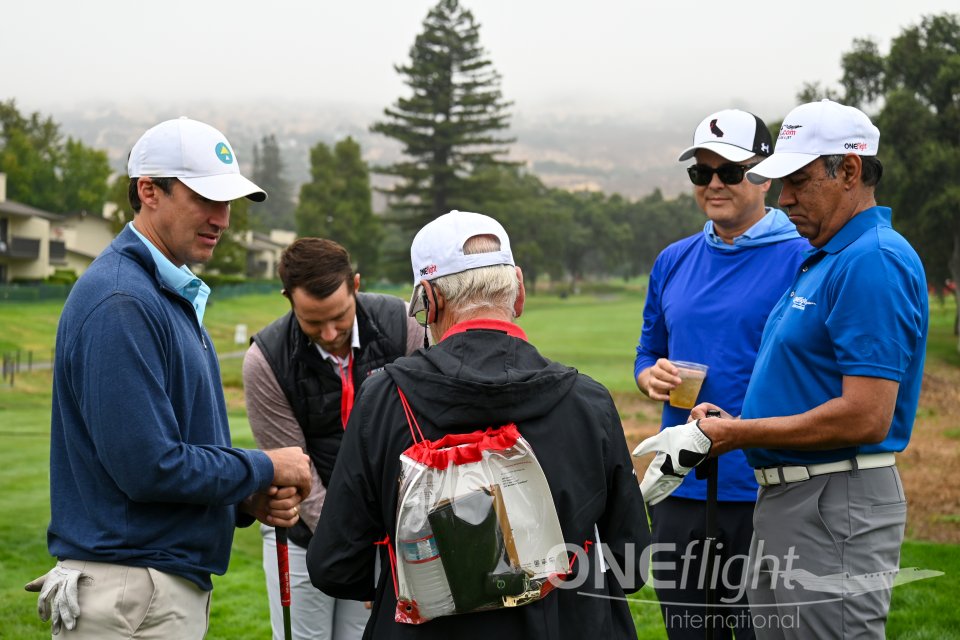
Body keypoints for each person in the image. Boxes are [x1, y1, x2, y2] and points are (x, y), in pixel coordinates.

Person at [637, 100, 928, 639]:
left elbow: (867, 417)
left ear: (849, 170)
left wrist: (739, 434)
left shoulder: (872, 259)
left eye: (798, 181)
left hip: (831, 499)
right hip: (793, 497)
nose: (785, 197)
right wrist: (734, 423)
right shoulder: (827, 256)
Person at [27, 117, 313, 638]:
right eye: (205, 198)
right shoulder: (122, 300)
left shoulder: (158, 294)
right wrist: (263, 466)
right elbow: (148, 467)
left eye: (228, 202)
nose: (222, 219)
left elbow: (171, 454)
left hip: (145, 588)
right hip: (132, 593)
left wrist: (242, 498)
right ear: (149, 191)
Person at [305, 210, 650, 639]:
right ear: (518, 290)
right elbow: (631, 562)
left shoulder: (384, 401)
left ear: (429, 300)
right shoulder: (588, 401)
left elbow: (335, 565)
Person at [633, 108, 809, 639]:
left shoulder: (804, 257)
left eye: (730, 171)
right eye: (701, 172)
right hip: (679, 485)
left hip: (764, 489)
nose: (714, 184)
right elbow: (647, 353)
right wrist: (650, 376)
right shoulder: (673, 260)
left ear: (765, 176)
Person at [243, 237, 423, 640]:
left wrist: (378, 543)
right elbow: (296, 471)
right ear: (288, 299)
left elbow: (420, 435)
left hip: (384, 533)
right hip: (303, 533)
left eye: (340, 316)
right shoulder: (265, 361)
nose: (329, 333)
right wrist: (350, 547)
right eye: (312, 322)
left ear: (355, 285)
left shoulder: (403, 325)